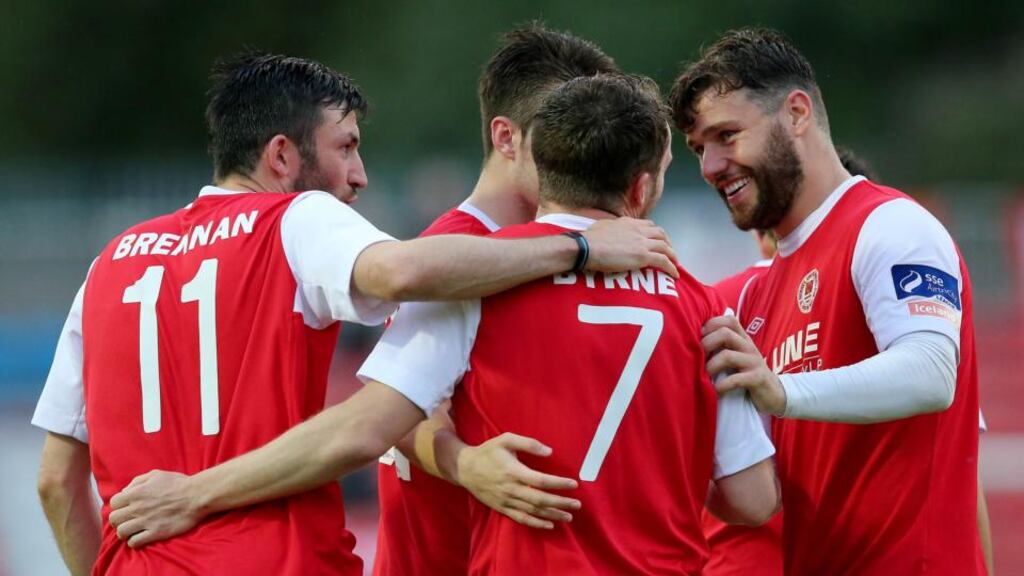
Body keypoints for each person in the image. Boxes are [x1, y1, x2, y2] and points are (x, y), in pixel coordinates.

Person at [32, 52, 677, 576]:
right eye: (345, 147)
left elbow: (57, 484)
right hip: (279, 560)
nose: (359, 176)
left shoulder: (107, 265)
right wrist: (580, 246)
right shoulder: (293, 219)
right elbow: (400, 274)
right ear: (282, 157)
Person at [372, 73, 777, 574]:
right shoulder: (704, 307)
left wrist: (462, 462)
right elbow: (753, 500)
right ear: (641, 186)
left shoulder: (476, 276)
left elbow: (380, 423)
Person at [670, 28, 981, 575]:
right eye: (699, 149)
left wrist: (781, 390)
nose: (711, 166)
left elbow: (933, 372)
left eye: (727, 135)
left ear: (796, 113)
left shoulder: (889, 223)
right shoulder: (762, 290)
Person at [367, 25, 620, 575]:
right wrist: (464, 464)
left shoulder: (557, 250)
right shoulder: (452, 256)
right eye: (564, 128)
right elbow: (389, 415)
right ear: (507, 138)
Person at [699, 146, 875, 576]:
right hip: (863, 554)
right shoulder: (886, 294)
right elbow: (963, 482)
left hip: (741, 559)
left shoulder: (717, 304)